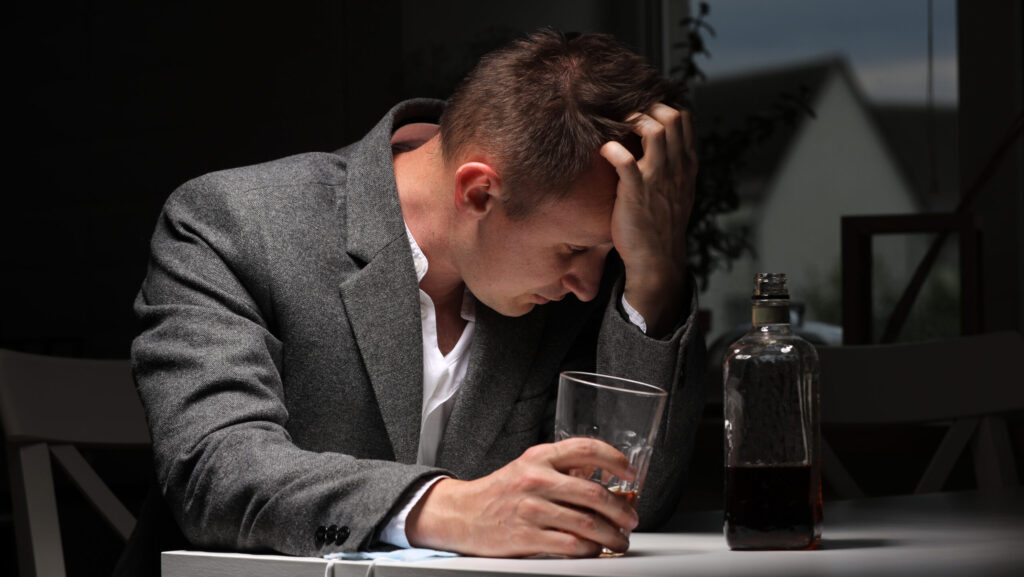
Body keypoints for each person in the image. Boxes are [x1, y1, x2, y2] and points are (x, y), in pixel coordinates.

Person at [129, 28, 705, 562]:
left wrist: (654, 272)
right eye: (574, 250)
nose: (587, 287)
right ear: (478, 192)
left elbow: (624, 509)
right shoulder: (233, 225)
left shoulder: (565, 293)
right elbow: (216, 473)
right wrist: (448, 508)